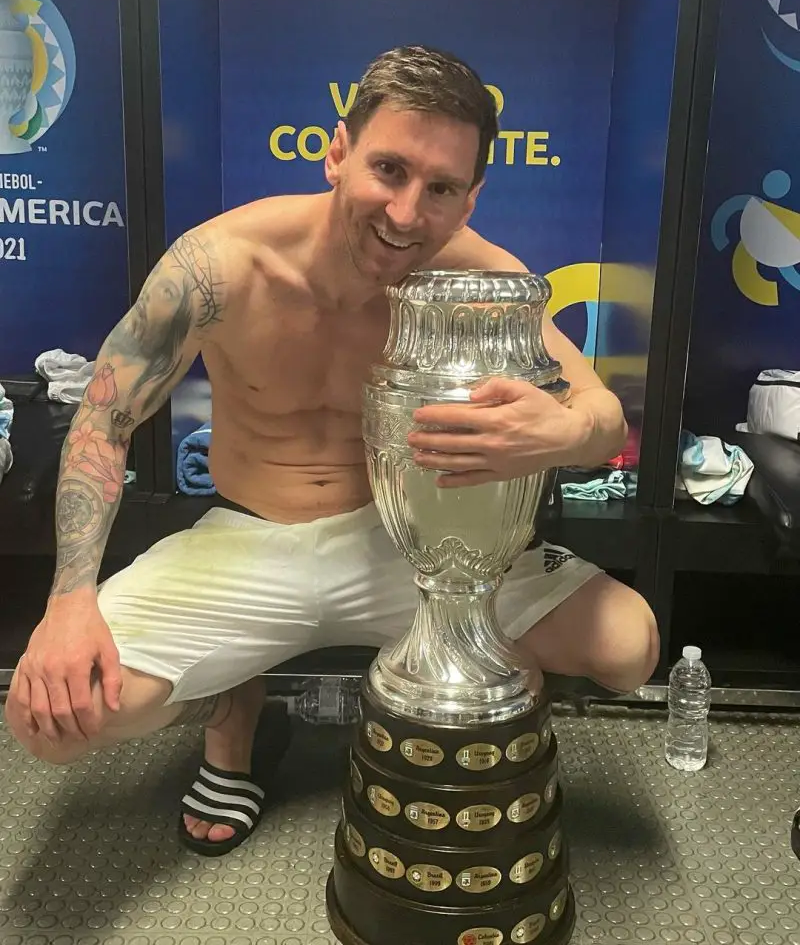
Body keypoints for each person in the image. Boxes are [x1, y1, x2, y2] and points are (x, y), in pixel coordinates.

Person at [5, 44, 659, 856]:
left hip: (404, 544)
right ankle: (230, 708)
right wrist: (68, 603)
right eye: (389, 169)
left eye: (441, 189)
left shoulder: (482, 279)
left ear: (470, 199)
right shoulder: (218, 267)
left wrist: (561, 432)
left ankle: (468, 692)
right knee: (49, 719)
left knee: (629, 647)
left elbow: (603, 416)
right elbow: (104, 421)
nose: (406, 214)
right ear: (337, 153)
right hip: (250, 539)